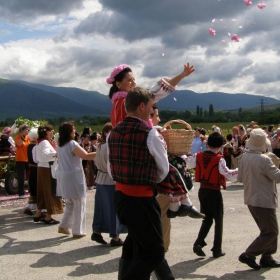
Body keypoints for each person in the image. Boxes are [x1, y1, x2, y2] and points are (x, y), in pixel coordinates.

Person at [107, 87, 174, 279]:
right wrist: (147, 181)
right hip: (142, 199)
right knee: (154, 252)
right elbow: (163, 169)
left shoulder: (113, 133)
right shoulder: (150, 133)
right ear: (142, 106)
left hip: (120, 197)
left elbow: (112, 169)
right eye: (152, 107)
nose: (153, 111)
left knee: (133, 243)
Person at [183, 132, 238, 258]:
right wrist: (241, 169)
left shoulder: (199, 155)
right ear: (220, 145)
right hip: (214, 191)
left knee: (207, 218)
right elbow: (228, 174)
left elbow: (188, 163)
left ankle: (198, 243)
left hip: (202, 190)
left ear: (207, 143)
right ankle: (216, 249)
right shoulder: (219, 158)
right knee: (218, 219)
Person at [238, 128, 280, 269]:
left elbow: (239, 178)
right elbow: (277, 177)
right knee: (271, 232)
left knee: (268, 229)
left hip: (251, 198)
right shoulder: (264, 160)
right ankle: (249, 254)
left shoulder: (244, 158)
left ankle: (267, 256)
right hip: (264, 199)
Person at [107, 62, 195, 127]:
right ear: (118, 84)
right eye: (130, 80)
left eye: (134, 79)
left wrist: (181, 75)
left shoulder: (116, 104)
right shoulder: (130, 101)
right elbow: (158, 90)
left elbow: (157, 90)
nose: (134, 83)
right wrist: (181, 75)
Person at [56, 122, 96, 238]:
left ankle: (64, 225)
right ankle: (78, 231)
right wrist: (101, 152)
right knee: (79, 202)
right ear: (69, 132)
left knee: (70, 203)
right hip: (74, 176)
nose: (75, 131)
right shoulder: (72, 144)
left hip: (64, 175)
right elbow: (86, 156)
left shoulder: (60, 144)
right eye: (73, 129)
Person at [91, 122, 126, 246]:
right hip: (110, 180)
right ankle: (115, 237)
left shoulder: (100, 146)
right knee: (113, 208)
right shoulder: (109, 146)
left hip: (100, 179)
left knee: (100, 207)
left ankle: (97, 231)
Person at [33, 124, 63, 224]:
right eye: (50, 131)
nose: (51, 133)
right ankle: (48, 216)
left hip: (42, 167)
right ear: (45, 132)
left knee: (42, 191)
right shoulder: (45, 142)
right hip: (47, 168)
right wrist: (56, 154)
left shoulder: (39, 142)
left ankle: (38, 214)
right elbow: (46, 154)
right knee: (49, 191)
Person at [23, 128, 39, 216]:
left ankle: (30, 207)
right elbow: (36, 160)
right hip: (35, 168)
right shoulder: (35, 147)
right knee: (36, 187)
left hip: (31, 168)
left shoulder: (29, 146)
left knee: (33, 187)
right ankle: (33, 208)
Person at [15, 124, 30, 198]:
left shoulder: (28, 137)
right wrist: (22, 137)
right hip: (20, 159)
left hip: (28, 159)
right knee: (21, 176)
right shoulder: (17, 137)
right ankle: (21, 193)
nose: (27, 131)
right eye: (26, 129)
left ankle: (31, 190)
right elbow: (18, 144)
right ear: (22, 130)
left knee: (30, 175)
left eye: (28, 129)